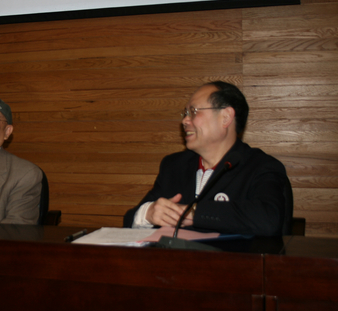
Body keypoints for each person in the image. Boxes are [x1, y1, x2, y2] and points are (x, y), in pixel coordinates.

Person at [123, 81, 292, 237]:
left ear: (225, 117)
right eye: (185, 113)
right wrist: (148, 214)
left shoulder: (261, 166)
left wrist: (194, 213)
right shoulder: (174, 166)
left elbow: (268, 219)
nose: (184, 120)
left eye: (193, 112)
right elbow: (129, 221)